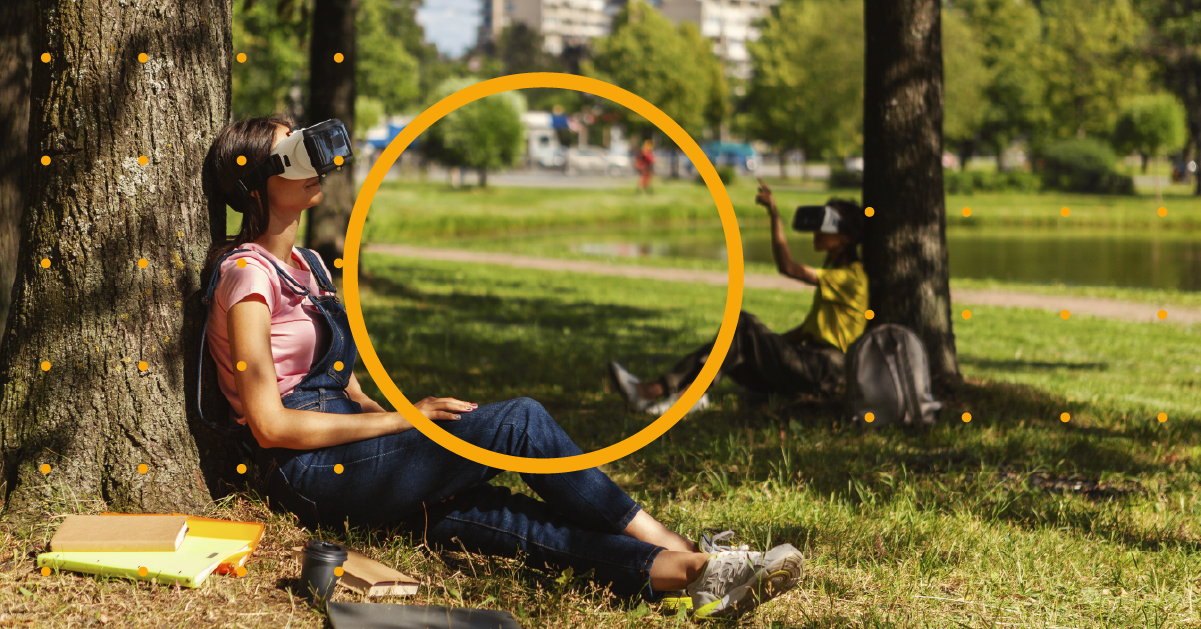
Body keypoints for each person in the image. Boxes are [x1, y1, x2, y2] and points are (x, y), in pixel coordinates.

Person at [197, 117, 804, 619]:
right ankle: (682, 546)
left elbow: (344, 385)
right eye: (289, 150)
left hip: (346, 455)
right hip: (306, 470)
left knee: (491, 515)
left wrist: (397, 427)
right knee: (519, 423)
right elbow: (271, 425)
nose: (311, 158)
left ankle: (693, 576)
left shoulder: (307, 265)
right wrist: (407, 422)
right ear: (256, 184)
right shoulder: (247, 277)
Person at [610, 180, 869, 414]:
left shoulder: (853, 277)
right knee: (736, 352)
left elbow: (788, 267)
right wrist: (767, 345)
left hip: (826, 370)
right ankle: (684, 398)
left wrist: (774, 214)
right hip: (811, 364)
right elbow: (806, 331)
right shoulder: (836, 276)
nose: (818, 231)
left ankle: (651, 392)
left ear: (846, 237)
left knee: (742, 324)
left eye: (828, 224)